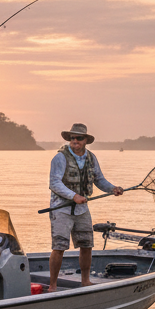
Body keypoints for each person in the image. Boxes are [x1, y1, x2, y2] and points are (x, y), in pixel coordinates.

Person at [48, 122, 124, 289]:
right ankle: (52, 285)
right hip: (61, 208)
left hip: (82, 210)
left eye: (79, 138)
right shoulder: (60, 157)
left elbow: (99, 180)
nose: (75, 140)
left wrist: (113, 189)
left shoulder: (91, 157)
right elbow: (54, 183)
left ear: (86, 141)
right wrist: (73, 196)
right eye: (72, 138)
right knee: (59, 246)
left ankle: (85, 281)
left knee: (87, 245)